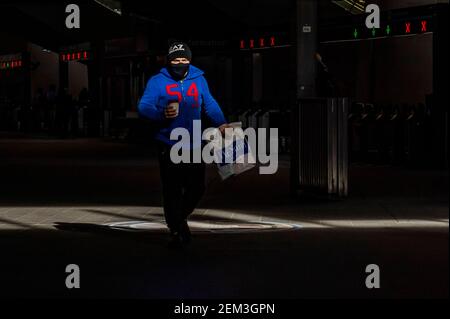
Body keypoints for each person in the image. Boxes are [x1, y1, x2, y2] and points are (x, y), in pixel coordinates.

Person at [138, 41, 230, 249]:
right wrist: (161, 113)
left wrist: (222, 122)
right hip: (168, 143)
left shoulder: (199, 79)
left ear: (190, 60)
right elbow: (144, 106)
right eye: (175, 60)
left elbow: (210, 103)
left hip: (194, 142)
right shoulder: (157, 81)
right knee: (172, 189)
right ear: (168, 61)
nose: (180, 63)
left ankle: (178, 220)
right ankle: (177, 227)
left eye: (184, 59)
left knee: (197, 187)